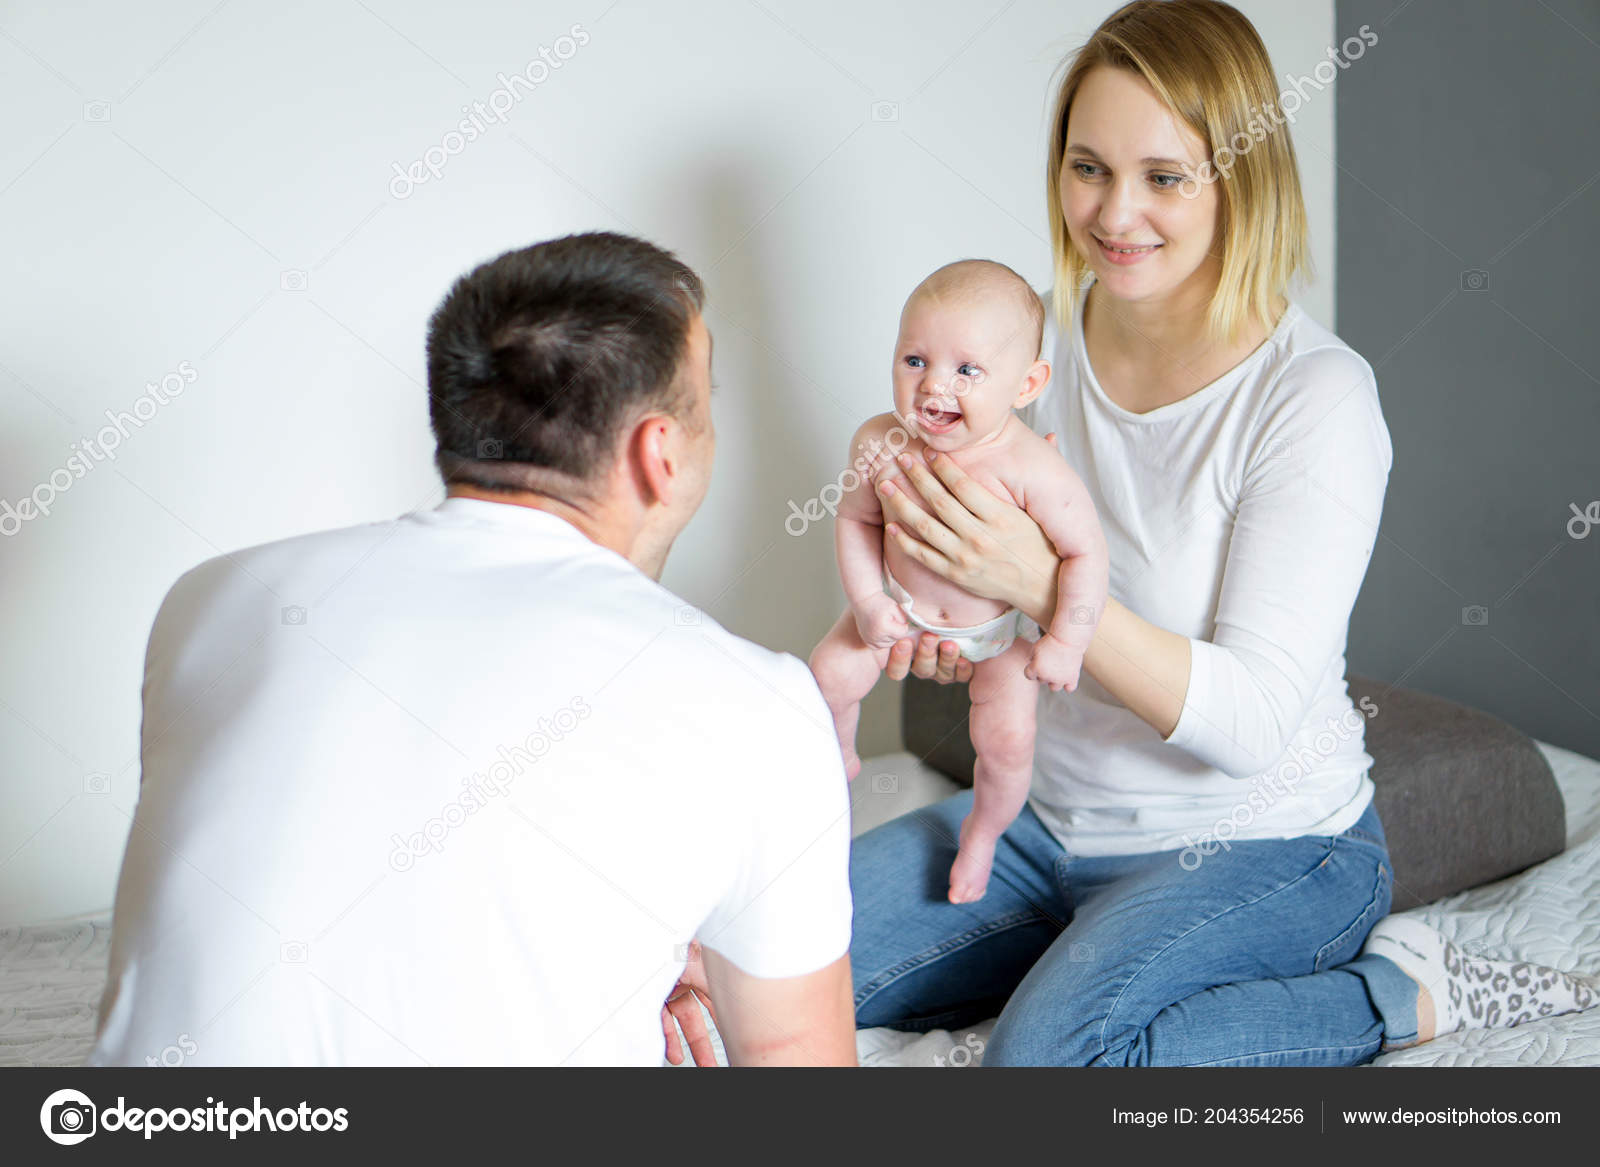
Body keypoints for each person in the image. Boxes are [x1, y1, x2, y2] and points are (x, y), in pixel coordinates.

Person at [848, 0, 1595, 1065]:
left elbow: (1245, 722)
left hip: (1265, 847)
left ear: (1237, 176)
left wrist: (1040, 587)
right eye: (1087, 167)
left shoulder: (1315, 399)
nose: (1113, 215)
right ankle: (1075, 957)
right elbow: (996, 614)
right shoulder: (1034, 355)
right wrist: (941, 612)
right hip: (1043, 826)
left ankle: (1394, 993)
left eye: (1164, 176)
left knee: (1047, 1067)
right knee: (738, 970)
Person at [87, 231, 857, 1067]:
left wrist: (635, 946)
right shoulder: (759, 704)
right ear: (659, 452)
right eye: (707, 404)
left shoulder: (211, 598)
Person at [808, 259, 1108, 903]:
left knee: (1005, 745)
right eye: (914, 360)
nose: (933, 385)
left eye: (966, 370)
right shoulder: (880, 442)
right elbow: (856, 519)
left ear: (1026, 384)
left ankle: (983, 833)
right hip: (897, 610)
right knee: (826, 675)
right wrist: (866, 602)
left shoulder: (1032, 467)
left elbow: (1086, 556)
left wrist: (1068, 642)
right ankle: (840, 751)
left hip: (997, 634)